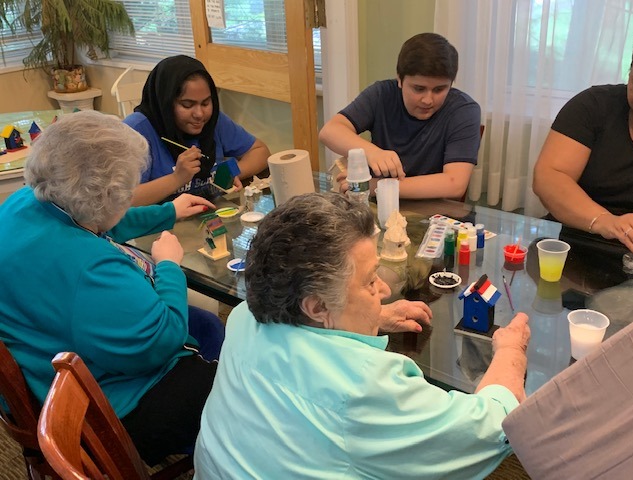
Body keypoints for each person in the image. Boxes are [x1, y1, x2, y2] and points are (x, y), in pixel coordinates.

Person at [194, 193, 530, 479]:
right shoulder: (364, 387)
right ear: (317, 307)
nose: (384, 290)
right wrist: (510, 351)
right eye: (370, 282)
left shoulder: (242, 316)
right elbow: (493, 428)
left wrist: (375, 314)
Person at [0, 111, 221, 466]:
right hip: (109, 413)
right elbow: (162, 341)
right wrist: (168, 266)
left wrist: (166, 213)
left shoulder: (25, 202)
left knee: (208, 326)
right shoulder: (90, 268)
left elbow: (92, 221)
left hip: (43, 360)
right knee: (234, 389)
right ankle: (220, 455)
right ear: (108, 198)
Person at [319, 33, 481, 200]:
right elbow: (329, 131)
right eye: (418, 89)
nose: (428, 100)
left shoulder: (464, 110)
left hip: (434, 212)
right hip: (381, 204)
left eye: (439, 90)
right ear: (400, 79)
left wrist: (376, 186)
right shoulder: (381, 94)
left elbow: (454, 184)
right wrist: (371, 152)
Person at [533, 36, 633, 257]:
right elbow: (548, 177)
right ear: (629, 73)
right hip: (572, 246)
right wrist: (605, 221)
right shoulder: (594, 106)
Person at [124, 55, 271, 206]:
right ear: (166, 103)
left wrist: (230, 172)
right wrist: (177, 178)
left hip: (211, 217)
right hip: (161, 225)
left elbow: (260, 151)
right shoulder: (135, 132)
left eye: (206, 103)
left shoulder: (213, 121)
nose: (199, 114)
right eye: (187, 105)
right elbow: (121, 200)